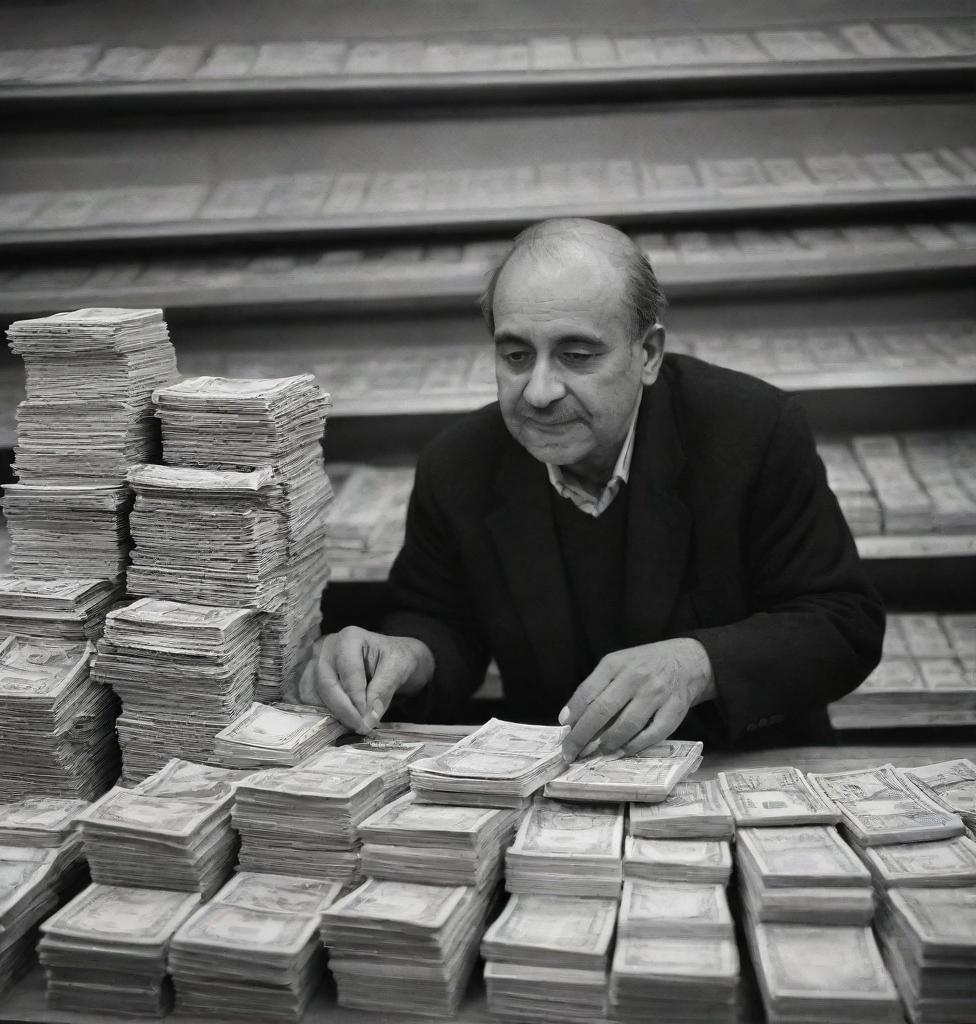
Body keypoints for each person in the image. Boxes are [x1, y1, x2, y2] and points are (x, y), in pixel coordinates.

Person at [301, 218, 885, 758]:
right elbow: (441, 620)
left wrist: (698, 663)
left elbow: (841, 622)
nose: (539, 392)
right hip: (561, 777)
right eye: (515, 355)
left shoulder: (752, 430)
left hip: (745, 764)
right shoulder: (459, 465)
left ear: (648, 354)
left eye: (576, 355)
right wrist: (406, 656)